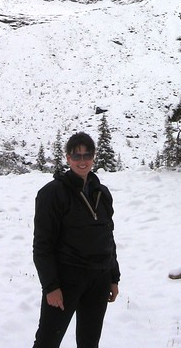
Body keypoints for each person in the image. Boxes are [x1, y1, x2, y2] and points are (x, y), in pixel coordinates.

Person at [32, 132, 120, 348]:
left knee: (89, 342)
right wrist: (51, 286)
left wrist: (113, 277)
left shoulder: (102, 193)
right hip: (66, 280)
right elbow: (42, 246)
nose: (82, 161)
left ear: (94, 157)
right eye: (77, 156)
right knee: (47, 342)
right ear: (68, 158)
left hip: (98, 280)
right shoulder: (52, 194)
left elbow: (108, 236)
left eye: (87, 155)